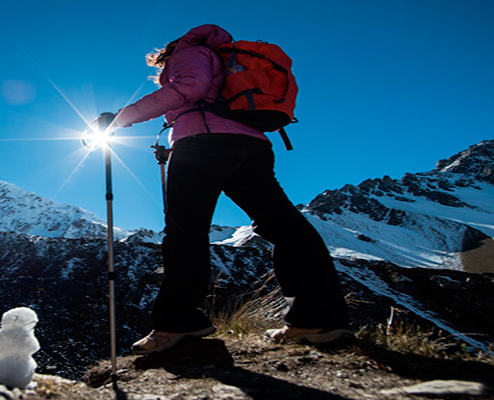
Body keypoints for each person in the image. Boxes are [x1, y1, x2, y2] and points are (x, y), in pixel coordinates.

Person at [109, 24, 353, 355]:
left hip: (202, 143)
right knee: (283, 224)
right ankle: (317, 319)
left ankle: (177, 323)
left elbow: (189, 88)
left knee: (186, 230)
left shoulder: (191, 53)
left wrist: (120, 119)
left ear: (168, 51)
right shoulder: (227, 60)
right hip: (251, 145)